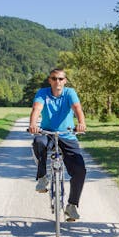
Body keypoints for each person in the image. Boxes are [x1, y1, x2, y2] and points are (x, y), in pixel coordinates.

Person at [28, 68, 86, 221]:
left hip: (67, 134)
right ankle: (42, 177)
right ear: (50, 80)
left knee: (80, 170)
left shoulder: (69, 93)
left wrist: (81, 123)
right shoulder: (42, 93)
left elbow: (77, 108)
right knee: (38, 142)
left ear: (65, 81)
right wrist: (33, 124)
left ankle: (72, 206)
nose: (57, 81)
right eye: (54, 78)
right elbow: (37, 108)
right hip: (47, 133)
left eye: (60, 79)